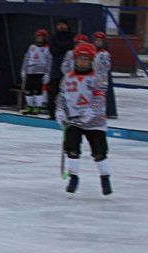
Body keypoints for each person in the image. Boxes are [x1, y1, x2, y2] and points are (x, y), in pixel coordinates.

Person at [56, 43, 111, 196]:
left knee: (99, 152)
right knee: (72, 148)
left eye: (86, 59)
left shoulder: (97, 78)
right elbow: (62, 97)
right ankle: (74, 177)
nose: (82, 62)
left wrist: (92, 110)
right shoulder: (67, 78)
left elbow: (100, 98)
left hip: (95, 122)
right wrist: (60, 111)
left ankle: (105, 178)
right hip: (74, 120)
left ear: (91, 60)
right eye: (80, 58)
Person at [20, 29, 52, 116]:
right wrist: (23, 70)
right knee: (28, 90)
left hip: (40, 72)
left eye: (41, 37)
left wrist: (47, 73)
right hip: (30, 72)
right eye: (38, 37)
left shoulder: (47, 48)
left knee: (37, 90)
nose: (39, 39)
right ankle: (29, 106)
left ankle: (37, 107)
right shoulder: (32, 47)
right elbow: (26, 58)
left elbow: (49, 61)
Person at [48, 19, 74, 118]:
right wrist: (62, 48)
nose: (61, 27)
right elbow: (53, 50)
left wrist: (60, 46)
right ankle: (52, 113)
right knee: (54, 93)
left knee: (68, 94)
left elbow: (70, 47)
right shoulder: (54, 37)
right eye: (59, 25)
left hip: (68, 73)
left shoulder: (71, 36)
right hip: (56, 70)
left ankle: (67, 113)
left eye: (63, 24)